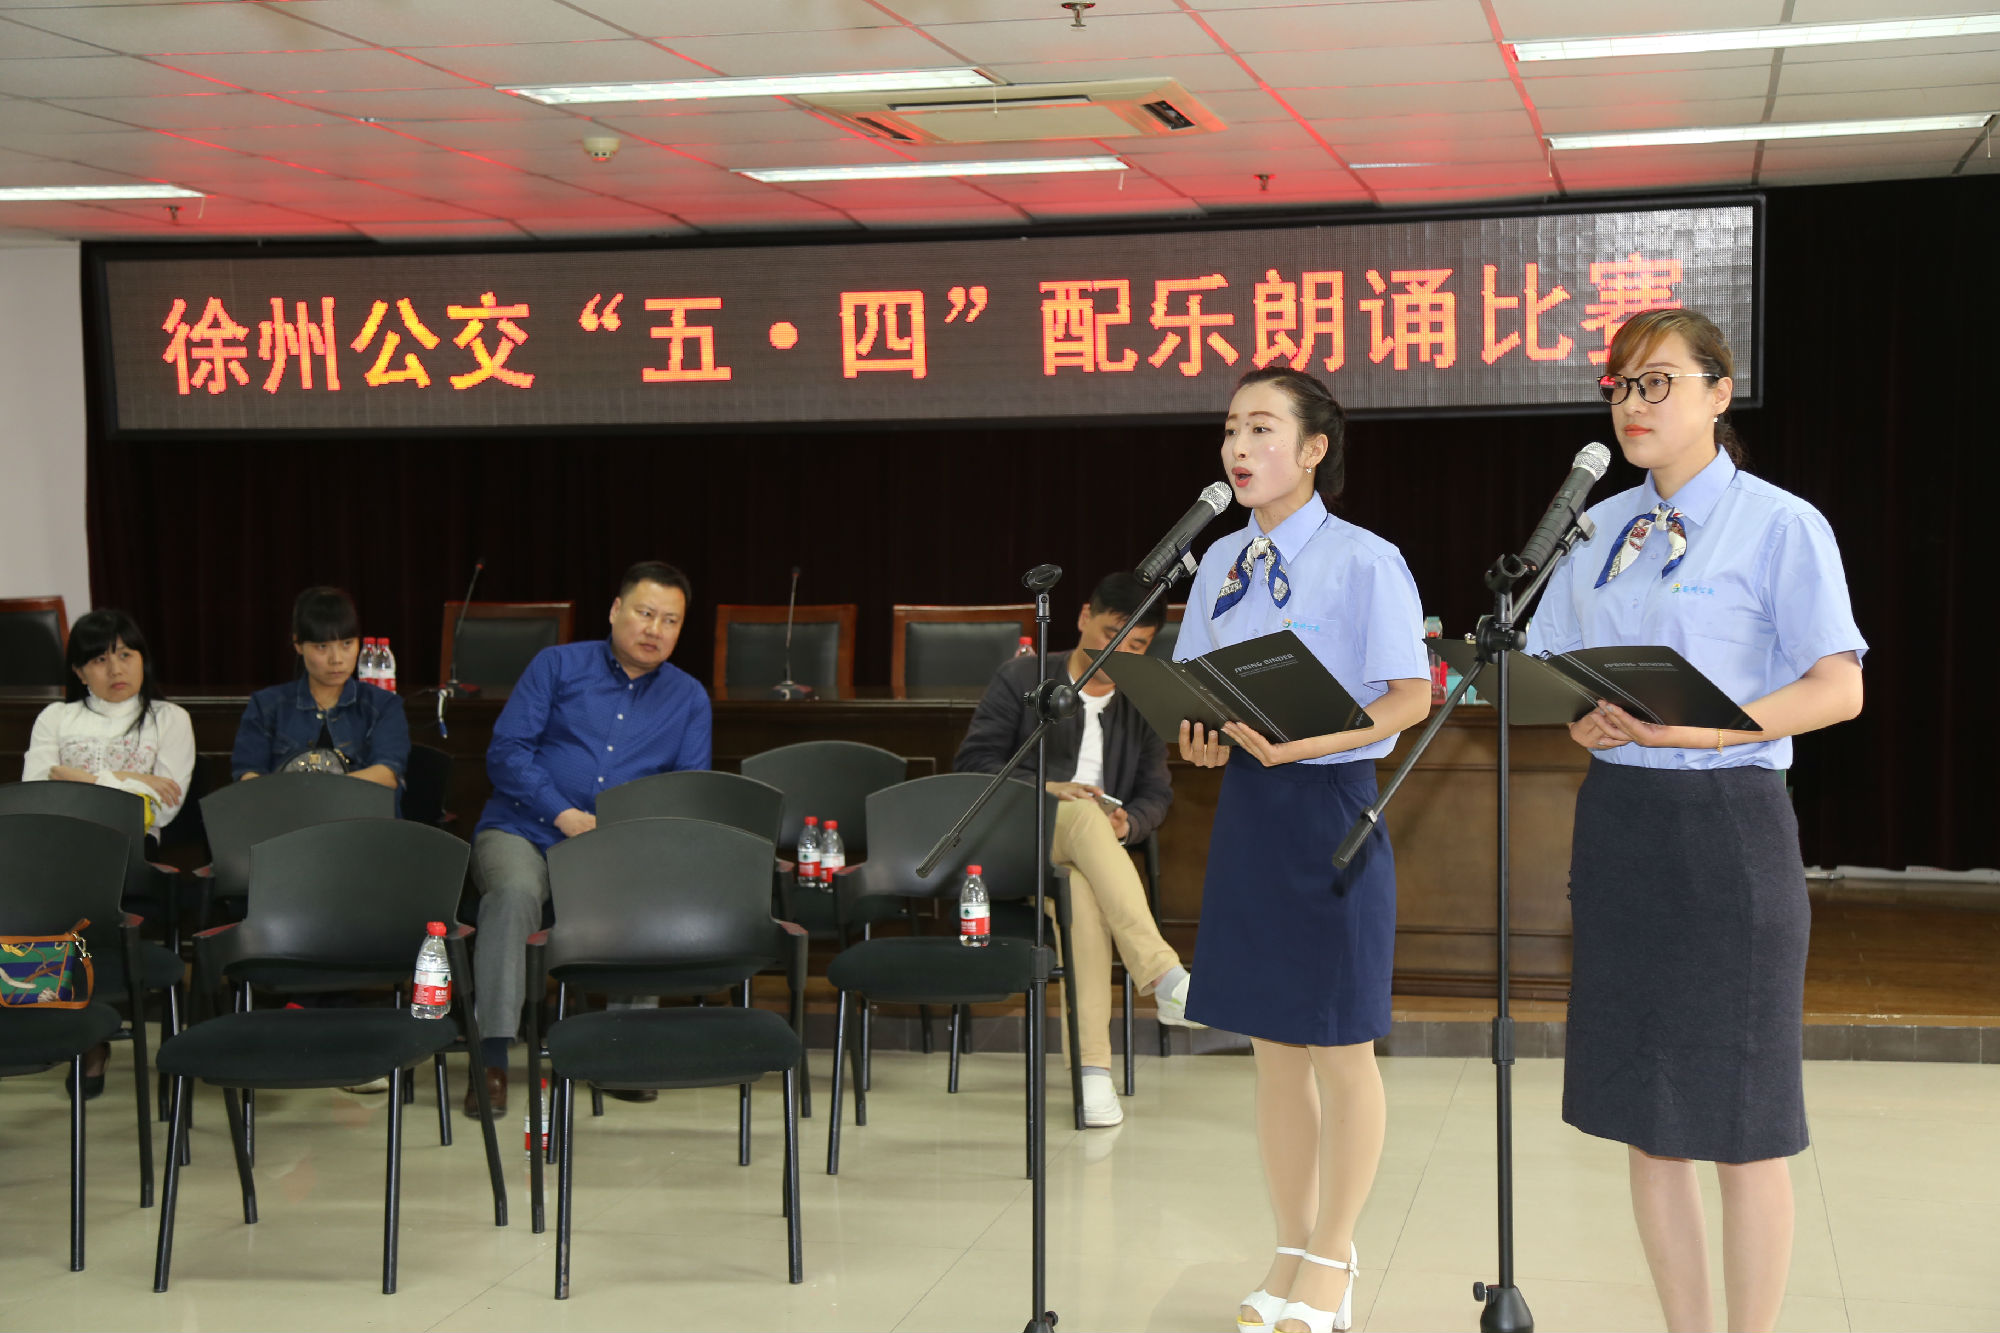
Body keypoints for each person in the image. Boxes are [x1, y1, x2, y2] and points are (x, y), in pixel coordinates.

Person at [1524, 308, 1864, 1333]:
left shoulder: (1779, 524)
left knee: (1742, 1122)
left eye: (1657, 382)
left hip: (1728, 830)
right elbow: (1551, 667)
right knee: (1651, 1116)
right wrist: (1579, 717)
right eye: (1620, 386)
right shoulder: (1593, 530)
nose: (1633, 404)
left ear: (1719, 392)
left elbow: (1837, 687)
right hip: (1620, 828)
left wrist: (1712, 730)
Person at [1174, 366, 1432, 1333]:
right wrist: (1200, 735)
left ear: (1315, 448)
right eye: (1231, 429)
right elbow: (1200, 689)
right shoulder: (1217, 563)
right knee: (1273, 1048)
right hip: (1250, 808)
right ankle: (1289, 1243)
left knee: (1338, 1044)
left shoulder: (1367, 560)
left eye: (1262, 429)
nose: (1239, 448)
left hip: (1333, 807)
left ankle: (1335, 1254)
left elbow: (1409, 697)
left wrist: (1313, 740)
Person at [465, 560, 711, 1117]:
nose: (654, 629)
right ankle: (492, 1059)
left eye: (670, 621)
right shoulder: (557, 665)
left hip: (615, 849)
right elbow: (507, 753)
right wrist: (563, 814)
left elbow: (684, 794)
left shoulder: (689, 698)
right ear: (616, 610)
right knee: (512, 894)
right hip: (524, 828)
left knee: (650, 890)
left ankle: (625, 1053)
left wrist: (619, 837)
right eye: (645, 613)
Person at [952, 572, 1197, 1129]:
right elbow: (974, 766)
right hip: (1019, 838)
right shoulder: (1023, 678)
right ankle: (1163, 975)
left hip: (1088, 862)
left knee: (1081, 897)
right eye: (1111, 634)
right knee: (1082, 814)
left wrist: (1128, 823)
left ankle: (1092, 1076)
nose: (1119, 653)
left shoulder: (1142, 701)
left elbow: (1156, 794)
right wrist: (1047, 788)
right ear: (1084, 617)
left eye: (1136, 645)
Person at [23, 608, 196, 1099]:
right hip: (58, 847)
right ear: (80, 672)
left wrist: (77, 777)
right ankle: (58, 1027)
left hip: (131, 852)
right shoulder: (56, 718)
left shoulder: (169, 719)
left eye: (125, 654)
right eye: (99, 659)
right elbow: (36, 791)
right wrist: (130, 779)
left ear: (143, 659)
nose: (116, 669)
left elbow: (161, 805)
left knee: (78, 900)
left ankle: (89, 1033)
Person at [230, 586, 408, 794]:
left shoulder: (384, 705)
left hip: (361, 811)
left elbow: (387, 774)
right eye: (322, 647)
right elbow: (248, 775)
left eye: (347, 644)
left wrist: (316, 793)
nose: (337, 659)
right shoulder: (265, 706)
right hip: (286, 811)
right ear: (298, 644)